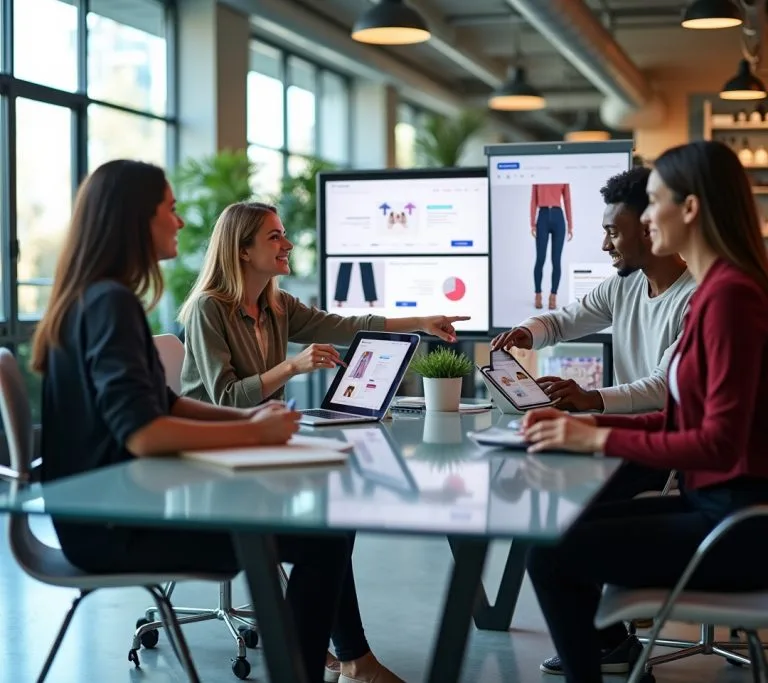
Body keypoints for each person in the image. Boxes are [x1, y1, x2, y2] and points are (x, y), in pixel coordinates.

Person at [31, 160, 404, 683]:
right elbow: (144, 433)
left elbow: (166, 404)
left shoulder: (103, 299)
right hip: (114, 525)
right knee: (322, 536)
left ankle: (338, 664)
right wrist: (253, 431)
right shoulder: (110, 304)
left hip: (116, 508)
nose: (181, 222)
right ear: (137, 218)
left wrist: (256, 422)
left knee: (326, 529)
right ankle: (310, 671)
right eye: (171, 209)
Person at [521, 140, 768, 683]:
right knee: (550, 539)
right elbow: (680, 419)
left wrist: (596, 438)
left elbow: (717, 444)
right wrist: (587, 425)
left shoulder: (730, 298)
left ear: (690, 209)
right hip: (712, 509)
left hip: (735, 527)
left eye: (653, 202)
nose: (645, 217)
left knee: (552, 556)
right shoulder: (716, 294)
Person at [177, 201, 469, 407]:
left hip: (260, 436)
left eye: (285, 235)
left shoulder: (278, 305)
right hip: (216, 442)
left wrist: (420, 323)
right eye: (274, 237)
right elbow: (228, 399)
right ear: (243, 252)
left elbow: (346, 328)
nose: (288, 245)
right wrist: (292, 366)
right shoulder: (209, 307)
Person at [494, 166, 696, 416]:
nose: (605, 245)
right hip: (623, 436)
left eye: (613, 233)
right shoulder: (624, 284)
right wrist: (526, 332)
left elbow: (662, 387)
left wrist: (590, 398)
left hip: (667, 446)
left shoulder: (697, 299)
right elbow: (563, 322)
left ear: (648, 230)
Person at [530, 182, 573, 310]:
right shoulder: (538, 178)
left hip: (558, 217)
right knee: (540, 258)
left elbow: (567, 200)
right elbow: (533, 200)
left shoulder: (562, 178)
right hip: (542, 216)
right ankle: (538, 294)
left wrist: (570, 225)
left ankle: (553, 296)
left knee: (556, 260)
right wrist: (532, 223)